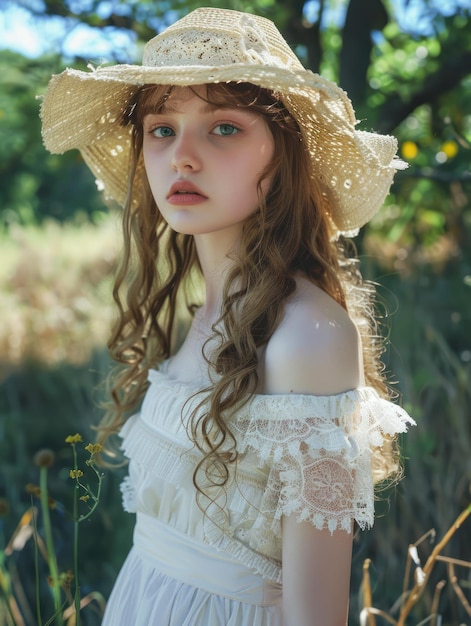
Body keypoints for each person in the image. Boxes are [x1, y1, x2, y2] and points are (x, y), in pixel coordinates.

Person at [41, 7, 415, 626]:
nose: (182, 157)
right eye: (162, 129)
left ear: (282, 157)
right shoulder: (202, 312)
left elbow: (316, 614)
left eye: (223, 129)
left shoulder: (306, 335)